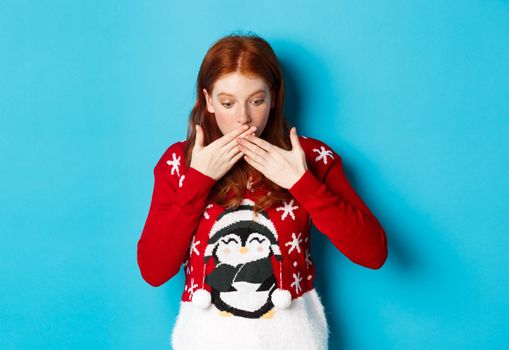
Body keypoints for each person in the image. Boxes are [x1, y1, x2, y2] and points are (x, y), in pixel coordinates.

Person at [136, 32, 388, 350]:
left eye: (257, 100)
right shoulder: (180, 162)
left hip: (291, 339)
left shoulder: (309, 157)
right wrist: (198, 181)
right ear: (208, 100)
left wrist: (302, 183)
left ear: (274, 97)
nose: (243, 117)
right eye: (228, 102)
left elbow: (373, 253)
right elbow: (154, 270)